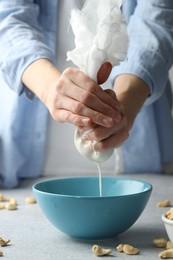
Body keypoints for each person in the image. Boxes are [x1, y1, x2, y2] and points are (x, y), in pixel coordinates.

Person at [0, 0, 173, 188]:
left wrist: (122, 110)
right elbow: (9, 19)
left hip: (141, 165)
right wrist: (51, 90)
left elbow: (155, 21)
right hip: (27, 169)